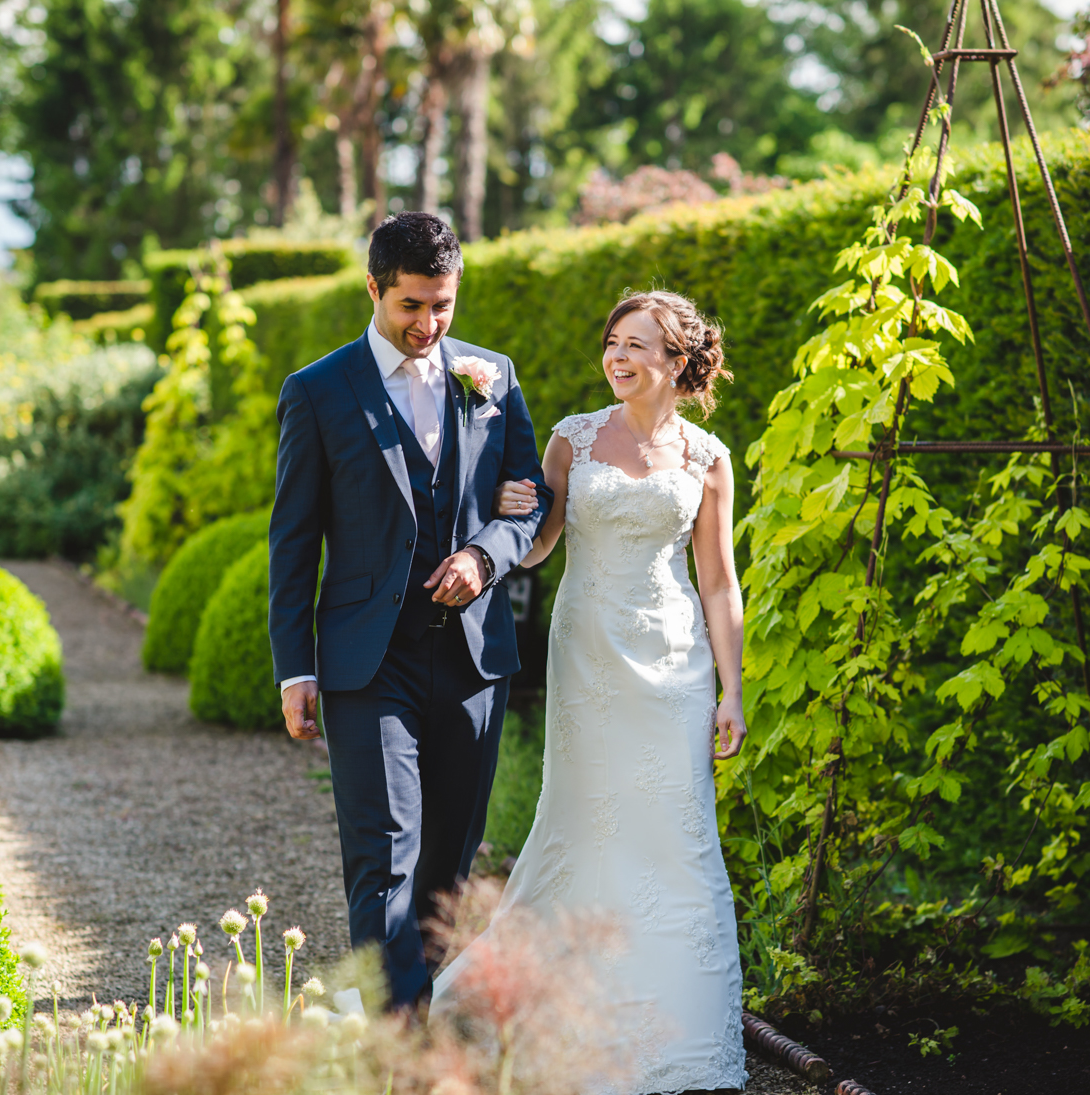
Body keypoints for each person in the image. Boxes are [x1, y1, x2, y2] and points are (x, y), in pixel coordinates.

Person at [433, 289, 749, 1094]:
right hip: (588, 655)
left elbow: (718, 583)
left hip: (675, 661)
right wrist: (505, 510)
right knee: (586, 815)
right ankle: (559, 1000)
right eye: (612, 341)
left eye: (637, 344)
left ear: (677, 361)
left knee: (674, 829)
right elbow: (538, 546)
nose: (618, 356)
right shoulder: (572, 440)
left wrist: (731, 690)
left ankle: (675, 1018)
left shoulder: (709, 458)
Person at [268, 212, 553, 1010]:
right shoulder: (318, 391)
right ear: (373, 288)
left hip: (471, 658)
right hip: (368, 659)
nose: (428, 325)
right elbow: (292, 540)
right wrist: (295, 665)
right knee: (385, 852)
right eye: (411, 306)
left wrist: (485, 555)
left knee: (449, 866)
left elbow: (529, 504)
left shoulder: (493, 376)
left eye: (443, 306)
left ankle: (410, 1003)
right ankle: (401, 1042)